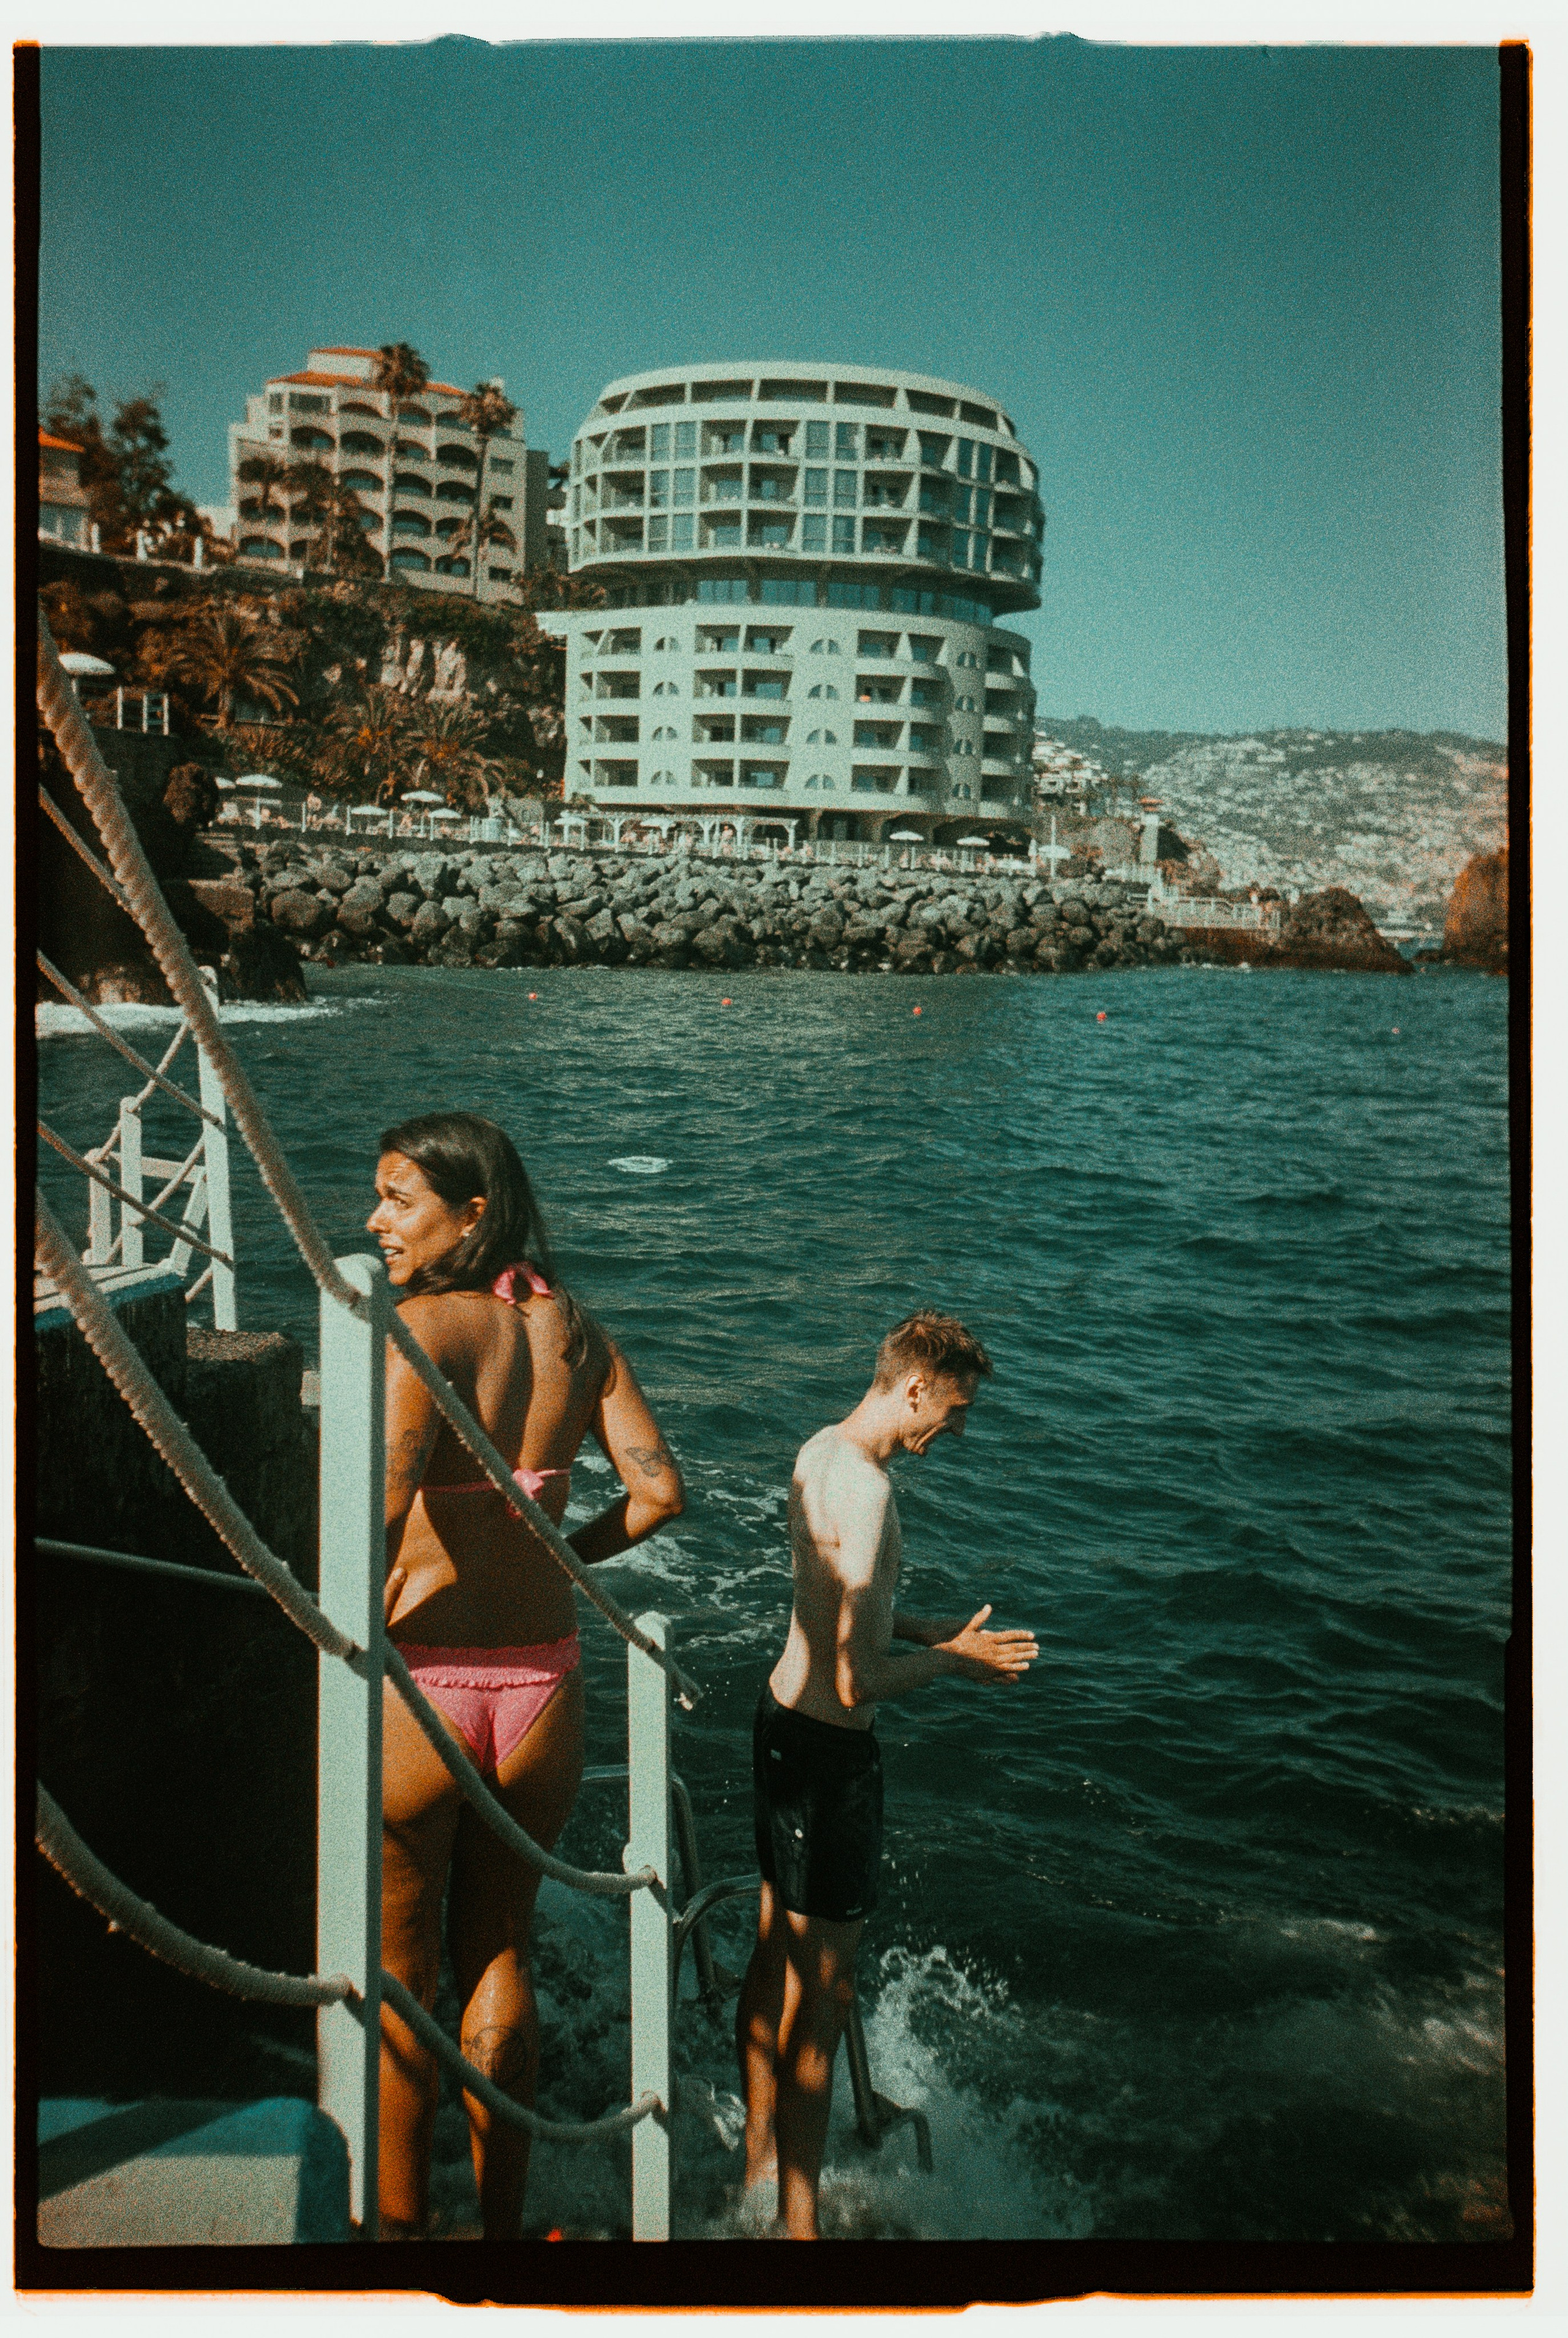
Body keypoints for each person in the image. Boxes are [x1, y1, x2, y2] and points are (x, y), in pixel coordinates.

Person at [368, 1112, 684, 2241]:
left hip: (427, 1679)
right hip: (544, 1684)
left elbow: (380, 1511)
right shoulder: (578, 1334)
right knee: (501, 1950)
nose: (375, 1220)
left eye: (398, 1200)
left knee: (402, 1971)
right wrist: (562, 1555)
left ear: (471, 1215)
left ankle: (399, 2236)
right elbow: (660, 1494)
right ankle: (502, 2234)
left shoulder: (424, 1330)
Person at [736, 1311, 1038, 2241]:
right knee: (823, 2001)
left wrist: (924, 1628)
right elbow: (857, 1679)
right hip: (831, 1762)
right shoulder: (868, 1491)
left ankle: (756, 2166)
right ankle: (799, 2232)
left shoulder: (819, 1450)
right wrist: (957, 1662)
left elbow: (826, 1607)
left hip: (779, 1726)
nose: (957, 1428)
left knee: (771, 1955)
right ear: (915, 1388)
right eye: (956, 1408)